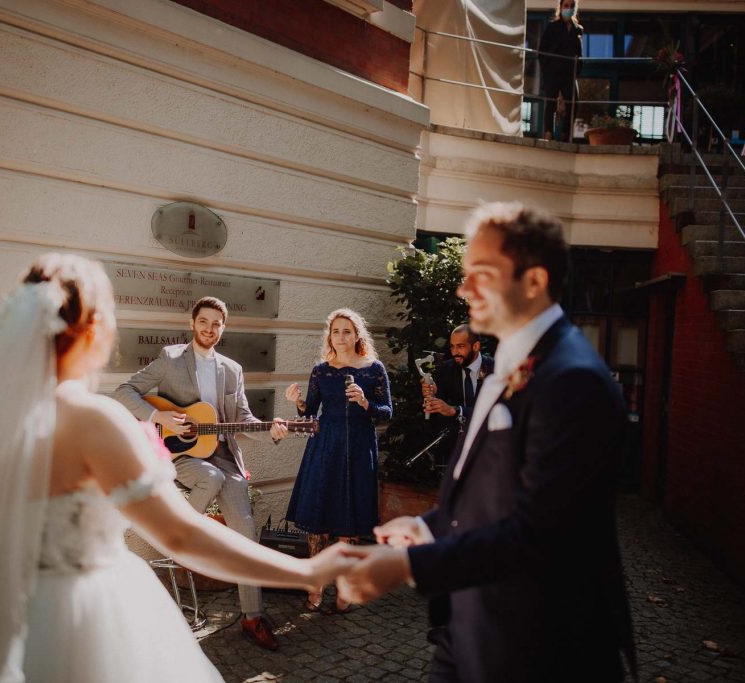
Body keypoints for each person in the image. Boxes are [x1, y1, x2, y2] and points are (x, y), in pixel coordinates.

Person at [0, 254, 357, 682]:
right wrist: (306, 572)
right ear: (94, 329)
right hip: (83, 621)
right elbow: (181, 535)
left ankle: (252, 613)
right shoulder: (92, 420)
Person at [337, 203, 636, 682]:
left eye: (482, 273)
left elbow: (542, 536)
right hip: (467, 623)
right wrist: (428, 526)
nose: (464, 288)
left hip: (537, 644)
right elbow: (488, 491)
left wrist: (406, 565)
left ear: (534, 281)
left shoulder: (574, 381)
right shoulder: (507, 363)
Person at [114, 296, 287, 650]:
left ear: (224, 328)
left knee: (246, 534)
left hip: (224, 456)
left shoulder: (232, 369)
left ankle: (252, 617)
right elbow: (124, 391)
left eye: (216, 324)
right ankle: (179, 535)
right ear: (192, 323)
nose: (210, 329)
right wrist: (158, 416)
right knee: (211, 478)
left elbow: (244, 419)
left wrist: (271, 430)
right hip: (182, 456)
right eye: (204, 322)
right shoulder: (171, 359)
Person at [283, 309, 391, 613]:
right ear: (329, 337)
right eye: (336, 331)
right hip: (325, 446)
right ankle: (315, 585)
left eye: (347, 331)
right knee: (319, 515)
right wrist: (298, 401)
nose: (341, 337)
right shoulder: (321, 371)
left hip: (359, 447)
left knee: (350, 518)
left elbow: (386, 412)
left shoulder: (374, 369)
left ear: (357, 336)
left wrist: (366, 402)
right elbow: (309, 413)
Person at [421, 324, 494, 466]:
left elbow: (495, 411)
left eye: (460, 346)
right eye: (452, 347)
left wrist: (456, 410)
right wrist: (431, 395)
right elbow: (436, 411)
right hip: (455, 450)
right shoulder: (446, 369)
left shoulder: (495, 369)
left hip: (489, 446)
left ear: (476, 346)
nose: (455, 352)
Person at [538, 0, 583, 142]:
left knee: (574, 102)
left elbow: (579, 54)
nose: (569, 9)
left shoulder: (577, 29)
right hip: (554, 71)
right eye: (566, 6)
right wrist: (547, 71)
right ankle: (548, 133)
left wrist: (577, 70)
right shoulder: (552, 27)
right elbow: (542, 51)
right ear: (561, 7)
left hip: (569, 73)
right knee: (551, 102)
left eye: (572, 6)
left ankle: (565, 134)